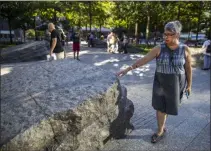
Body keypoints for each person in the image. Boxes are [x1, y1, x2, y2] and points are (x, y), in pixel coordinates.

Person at [117, 21, 192, 143]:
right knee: (160, 108)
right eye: (164, 34)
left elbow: (188, 68)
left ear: (177, 35)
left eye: (169, 34)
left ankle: (162, 125)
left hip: (177, 83)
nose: (165, 37)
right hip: (161, 82)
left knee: (168, 107)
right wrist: (127, 69)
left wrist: (189, 85)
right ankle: (160, 131)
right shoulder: (159, 48)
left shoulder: (185, 49)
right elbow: (144, 60)